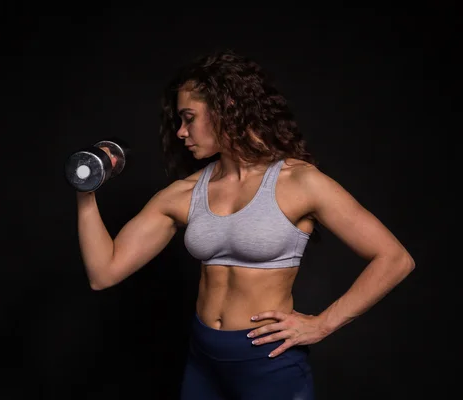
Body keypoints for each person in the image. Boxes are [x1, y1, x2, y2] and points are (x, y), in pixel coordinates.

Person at [75, 49, 415, 399]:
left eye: (189, 118)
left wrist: (322, 324)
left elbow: (394, 258)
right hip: (203, 364)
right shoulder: (184, 194)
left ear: (227, 108)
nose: (180, 132)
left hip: (269, 365)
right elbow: (104, 273)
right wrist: (86, 190)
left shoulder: (299, 182)